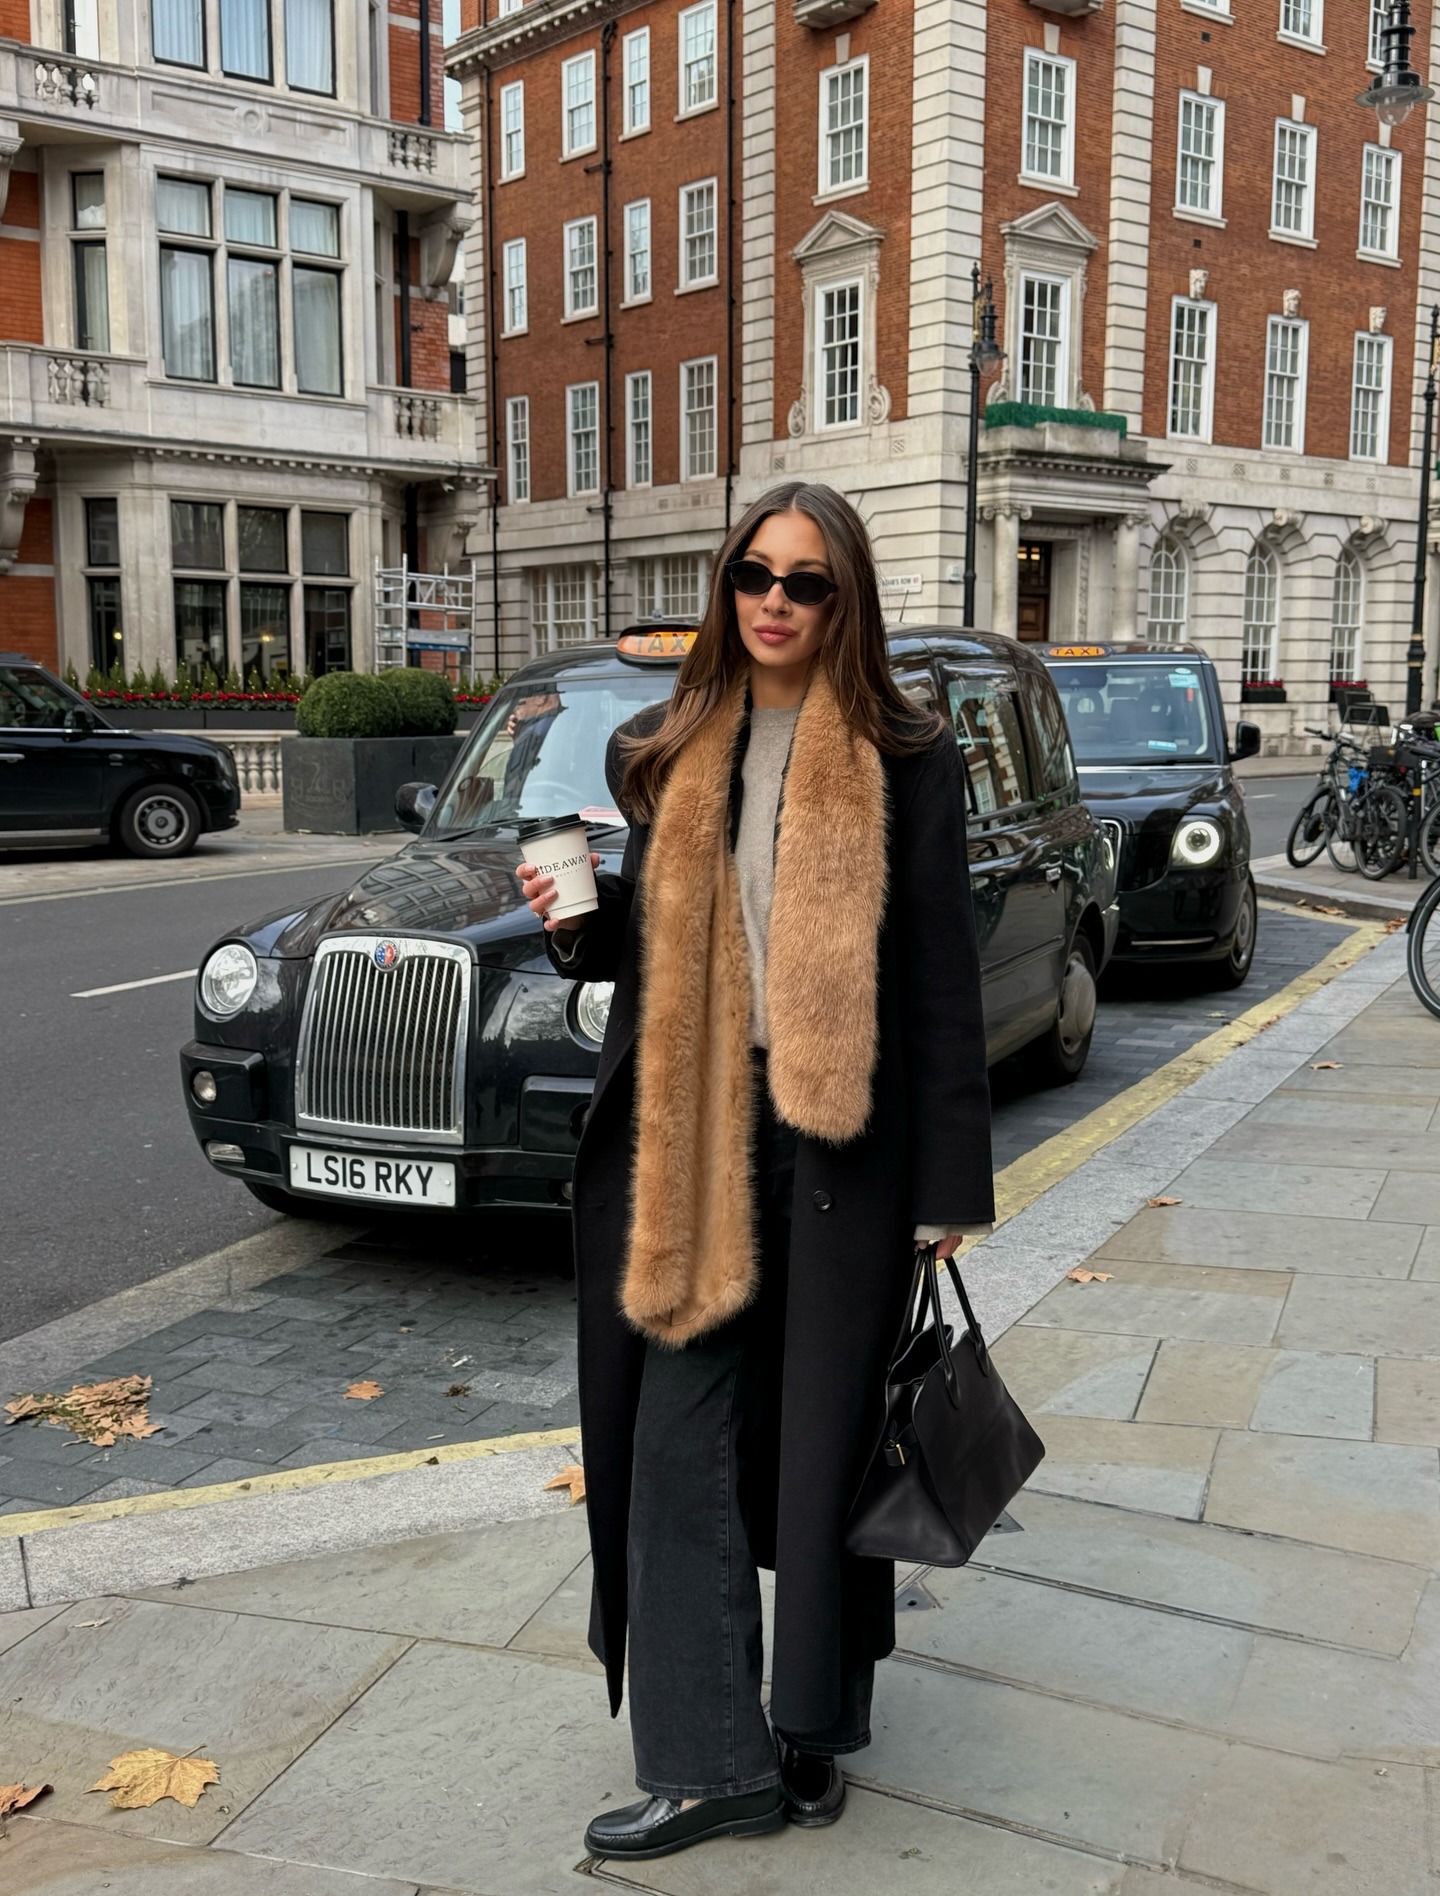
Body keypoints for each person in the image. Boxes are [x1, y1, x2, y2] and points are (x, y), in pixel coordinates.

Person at [515, 481, 994, 1863]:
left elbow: (941, 980)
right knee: (675, 1445)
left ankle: (811, 1730)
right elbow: (673, 948)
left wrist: (950, 1188)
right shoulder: (672, 745)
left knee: (823, 1451)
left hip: (843, 1145)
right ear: (727, 588)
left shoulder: (908, 755)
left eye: (806, 582)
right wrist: (579, 922)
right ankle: (710, 1762)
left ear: (846, 603)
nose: (775, 601)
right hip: (697, 1134)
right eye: (753, 576)